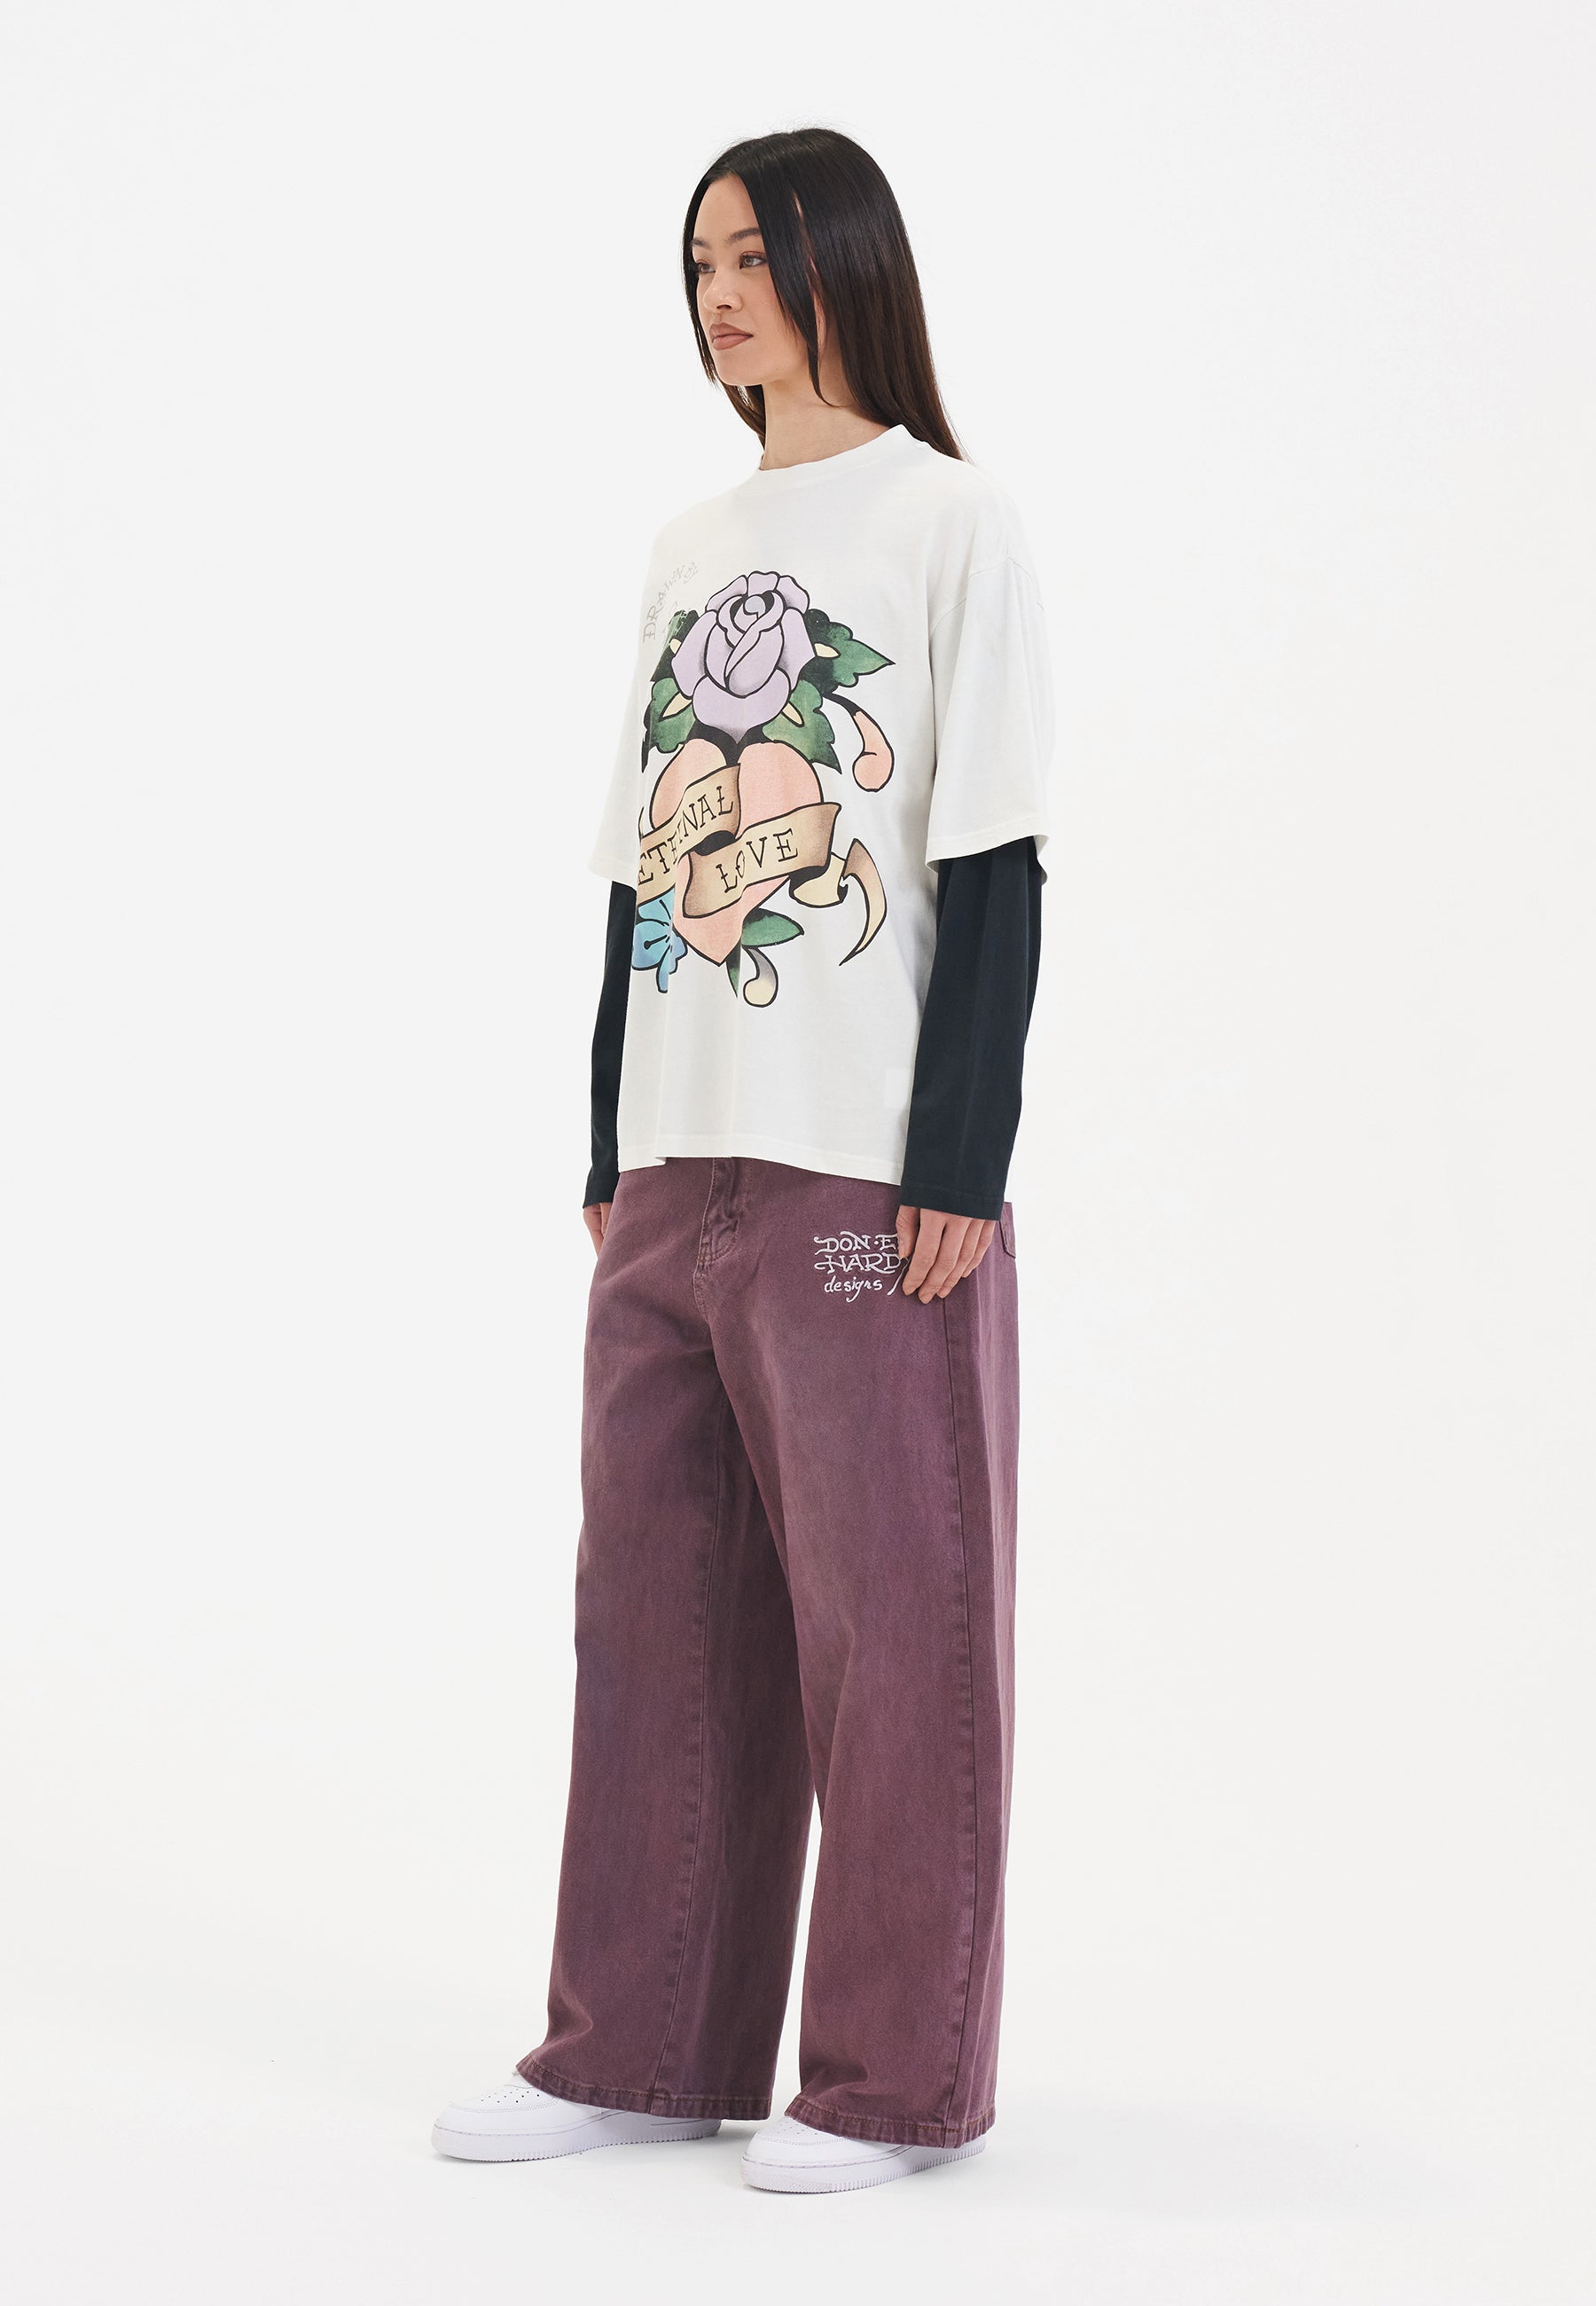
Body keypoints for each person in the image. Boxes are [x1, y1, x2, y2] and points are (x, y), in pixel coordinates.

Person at [432, 125, 1054, 2196]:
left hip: (859, 1171)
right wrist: (608, 1136)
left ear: (842, 266)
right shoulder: (686, 544)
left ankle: (892, 2083)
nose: (724, 295)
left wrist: (958, 1161)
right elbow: (637, 874)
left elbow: (994, 857)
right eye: (701, 260)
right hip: (674, 1164)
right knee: (652, 1619)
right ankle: (636, 2046)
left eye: (757, 256)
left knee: (896, 1625)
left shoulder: (951, 521)